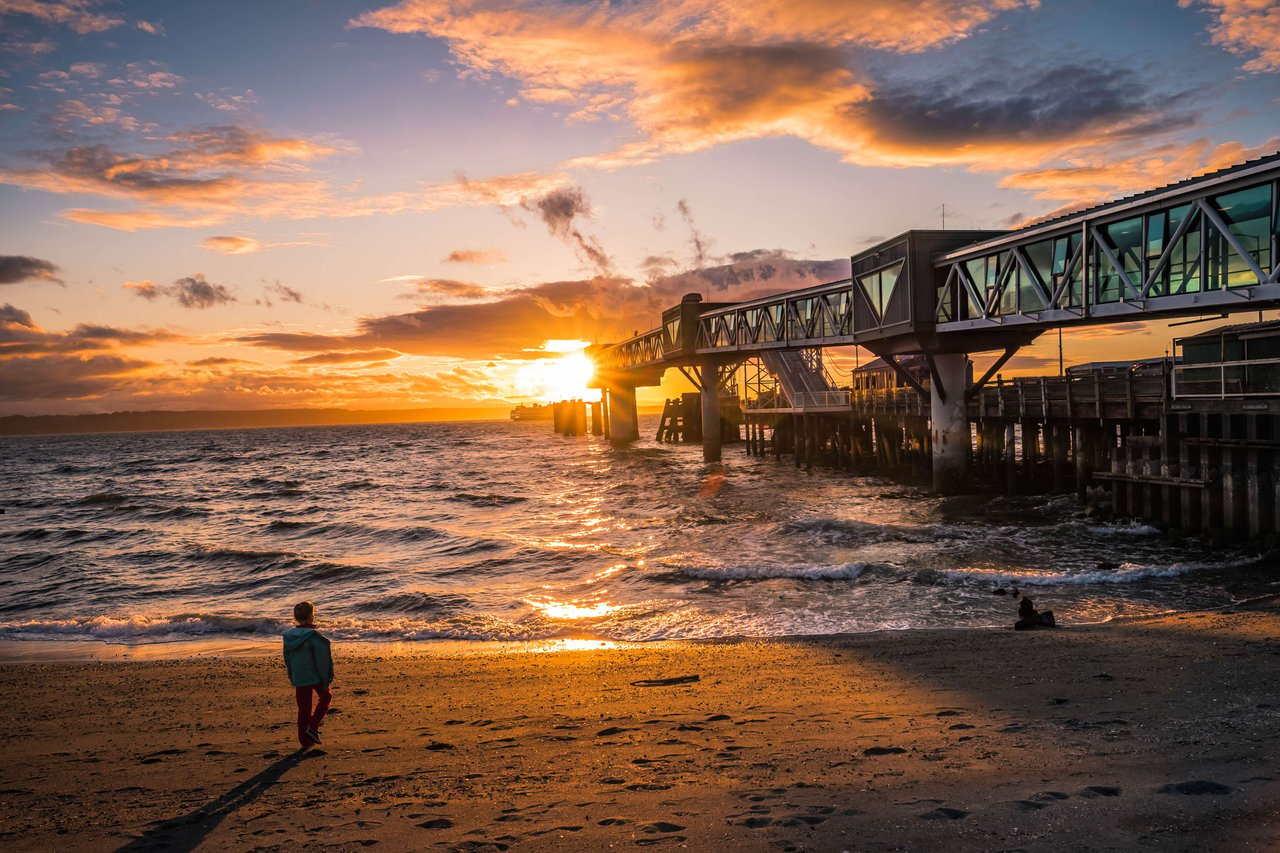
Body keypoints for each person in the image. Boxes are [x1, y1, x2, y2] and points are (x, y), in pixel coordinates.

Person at [283, 600, 334, 747]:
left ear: (296, 618)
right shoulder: (313, 636)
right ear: (312, 616)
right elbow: (322, 660)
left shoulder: (289, 636)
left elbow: (287, 658)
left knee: (304, 709)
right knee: (326, 696)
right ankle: (312, 727)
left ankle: (304, 741)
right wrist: (326, 678)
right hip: (314, 675)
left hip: (299, 676)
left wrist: (292, 674)